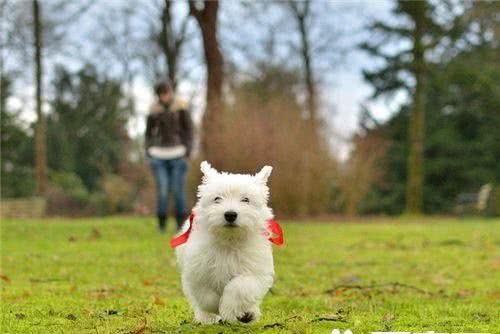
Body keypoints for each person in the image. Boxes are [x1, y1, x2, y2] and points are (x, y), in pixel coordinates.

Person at [145, 80, 193, 233]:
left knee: (178, 190)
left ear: (171, 92)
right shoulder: (153, 110)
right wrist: (148, 150)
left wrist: (188, 151)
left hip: (179, 155)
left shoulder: (181, 107)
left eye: (167, 92)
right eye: (161, 93)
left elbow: (189, 130)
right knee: (163, 190)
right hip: (158, 156)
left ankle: (181, 225)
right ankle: (162, 225)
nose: (164, 96)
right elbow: (148, 133)